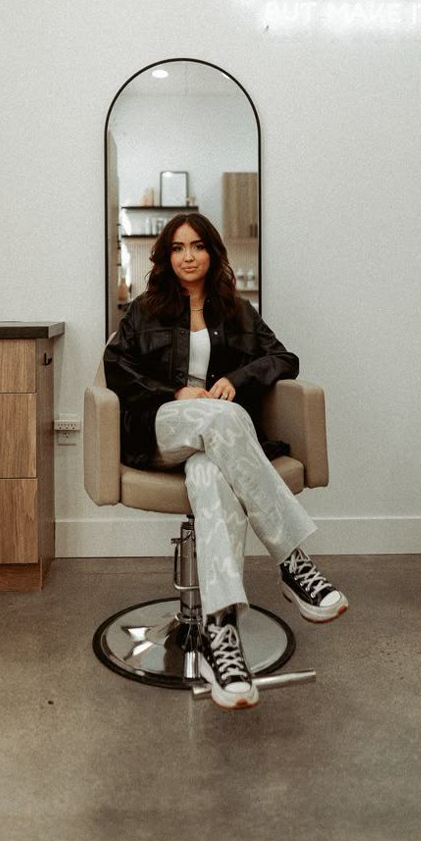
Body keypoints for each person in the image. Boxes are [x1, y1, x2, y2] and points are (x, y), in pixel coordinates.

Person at [104, 213, 348, 710]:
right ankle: (291, 559)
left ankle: (221, 634)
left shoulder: (236, 311)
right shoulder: (144, 311)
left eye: (197, 246)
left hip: (216, 441)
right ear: (165, 257)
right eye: (177, 248)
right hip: (161, 428)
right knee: (220, 419)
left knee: (210, 470)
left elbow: (284, 359)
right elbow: (116, 369)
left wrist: (239, 376)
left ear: (212, 253)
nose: (187, 256)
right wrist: (174, 391)